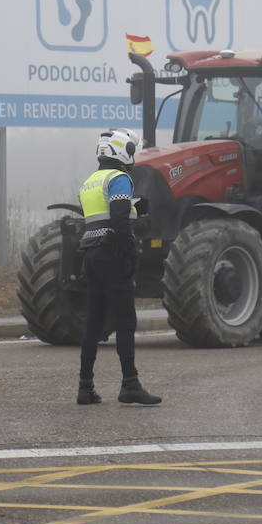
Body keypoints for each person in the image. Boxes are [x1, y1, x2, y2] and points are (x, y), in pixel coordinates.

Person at [75, 127, 161, 406]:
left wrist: (137, 210)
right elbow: (120, 217)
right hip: (112, 254)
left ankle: (85, 388)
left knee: (94, 323)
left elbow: (102, 214)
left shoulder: (90, 181)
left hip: (91, 255)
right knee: (126, 321)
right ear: (123, 150)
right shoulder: (119, 178)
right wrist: (129, 255)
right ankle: (130, 384)